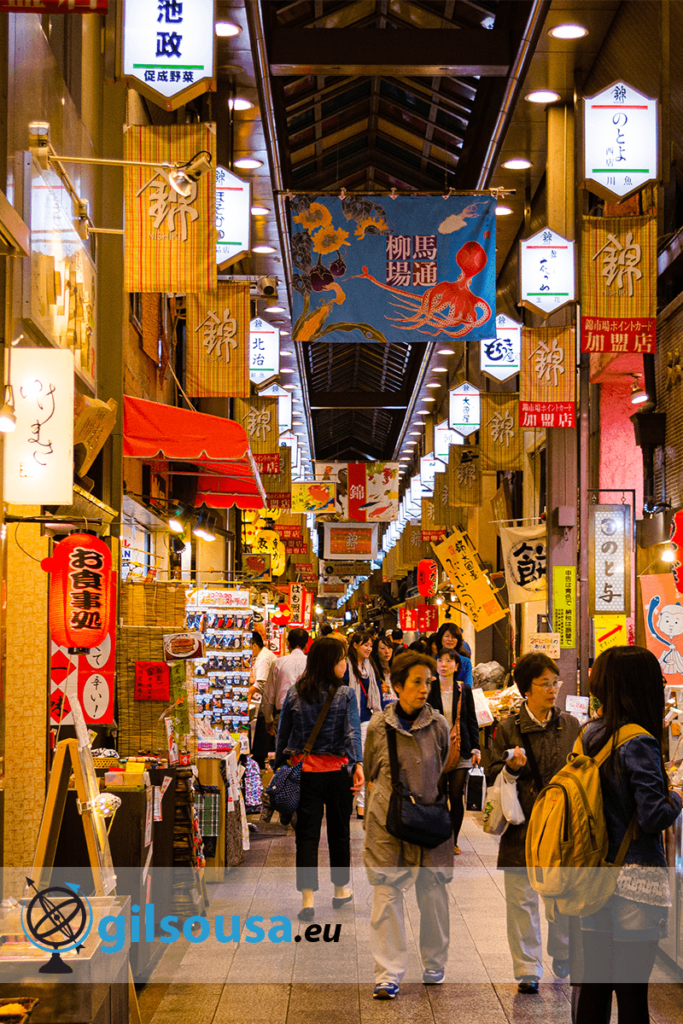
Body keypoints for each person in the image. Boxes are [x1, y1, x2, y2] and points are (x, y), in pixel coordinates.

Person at [575, 646, 682, 1024]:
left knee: (596, 984)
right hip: (635, 882)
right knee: (633, 992)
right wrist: (678, 796)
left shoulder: (588, 734)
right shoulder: (638, 740)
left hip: (591, 877)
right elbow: (654, 816)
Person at [488, 651, 580, 993]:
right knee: (522, 900)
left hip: (560, 827)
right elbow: (494, 772)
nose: (552, 689)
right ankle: (528, 968)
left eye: (555, 682)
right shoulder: (509, 728)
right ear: (527, 689)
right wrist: (511, 767)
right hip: (522, 825)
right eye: (545, 684)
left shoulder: (569, 724)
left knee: (561, 898)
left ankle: (562, 952)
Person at [363, 651, 452, 999]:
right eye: (416, 682)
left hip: (429, 819)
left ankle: (434, 963)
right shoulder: (378, 726)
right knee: (386, 894)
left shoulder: (439, 725)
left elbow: (443, 766)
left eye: (428, 682)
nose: (424, 689)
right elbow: (371, 769)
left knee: (432, 895)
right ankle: (388, 973)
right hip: (387, 822)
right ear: (396, 685)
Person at [274, 637, 364, 921]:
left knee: (307, 837)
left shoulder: (295, 692)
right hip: (337, 774)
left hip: (306, 774)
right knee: (340, 833)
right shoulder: (345, 694)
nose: (344, 665)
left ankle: (308, 900)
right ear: (330, 663)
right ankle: (339, 891)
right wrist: (358, 763)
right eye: (341, 660)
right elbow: (353, 733)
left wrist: (280, 764)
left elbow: (282, 734)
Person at [436, 648, 480, 854]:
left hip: (461, 748)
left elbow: (471, 720)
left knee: (456, 795)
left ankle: (453, 839)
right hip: (435, 751)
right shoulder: (429, 689)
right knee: (438, 796)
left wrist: (476, 748)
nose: (444, 664)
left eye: (449, 661)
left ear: (456, 666)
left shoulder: (464, 690)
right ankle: (440, 836)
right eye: (440, 660)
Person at [344, 630, 382, 818]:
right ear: (355, 645)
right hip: (347, 721)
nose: (368, 648)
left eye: (370, 645)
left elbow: (376, 692)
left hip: (366, 718)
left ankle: (361, 804)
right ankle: (349, 796)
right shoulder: (345, 666)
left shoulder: (370, 666)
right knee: (350, 761)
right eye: (365, 645)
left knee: (363, 761)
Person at [262, 627, 309, 739]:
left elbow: (268, 695)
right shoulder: (312, 663)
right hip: (307, 716)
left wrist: (268, 720)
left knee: (283, 752)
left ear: (288, 644)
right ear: (306, 645)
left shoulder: (278, 663)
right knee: (302, 753)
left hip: (283, 715)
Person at [247, 631, 277, 769]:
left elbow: (261, 683)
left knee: (263, 728)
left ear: (253, 645)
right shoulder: (263, 655)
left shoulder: (263, 658)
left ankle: (259, 763)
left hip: (270, 700)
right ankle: (260, 761)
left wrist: (247, 694)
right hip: (269, 699)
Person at [436, 623, 473, 687]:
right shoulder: (433, 660)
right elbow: (432, 685)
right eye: (447, 636)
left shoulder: (466, 661)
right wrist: (459, 683)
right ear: (440, 638)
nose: (450, 640)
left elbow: (468, 685)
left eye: (453, 637)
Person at [372, 635, 397, 707]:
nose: (387, 652)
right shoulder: (372, 670)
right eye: (382, 648)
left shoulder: (397, 668)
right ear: (376, 650)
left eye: (389, 648)